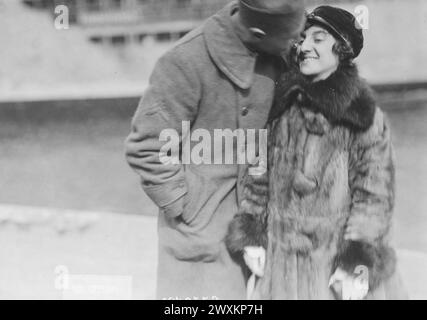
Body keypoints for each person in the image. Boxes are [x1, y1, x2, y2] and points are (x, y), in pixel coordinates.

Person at [125, 0, 306, 299]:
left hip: (267, 231)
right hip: (202, 235)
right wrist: (188, 209)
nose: (295, 45)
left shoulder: (279, 51)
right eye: (289, 38)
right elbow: (146, 146)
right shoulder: (185, 61)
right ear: (259, 32)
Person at [226, 6, 408, 299]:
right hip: (280, 265)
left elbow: (374, 196)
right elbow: (258, 174)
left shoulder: (363, 117)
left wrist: (356, 264)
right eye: (303, 38)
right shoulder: (282, 104)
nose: (304, 47)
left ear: (342, 49)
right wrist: (252, 234)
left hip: (333, 270)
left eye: (318, 39)